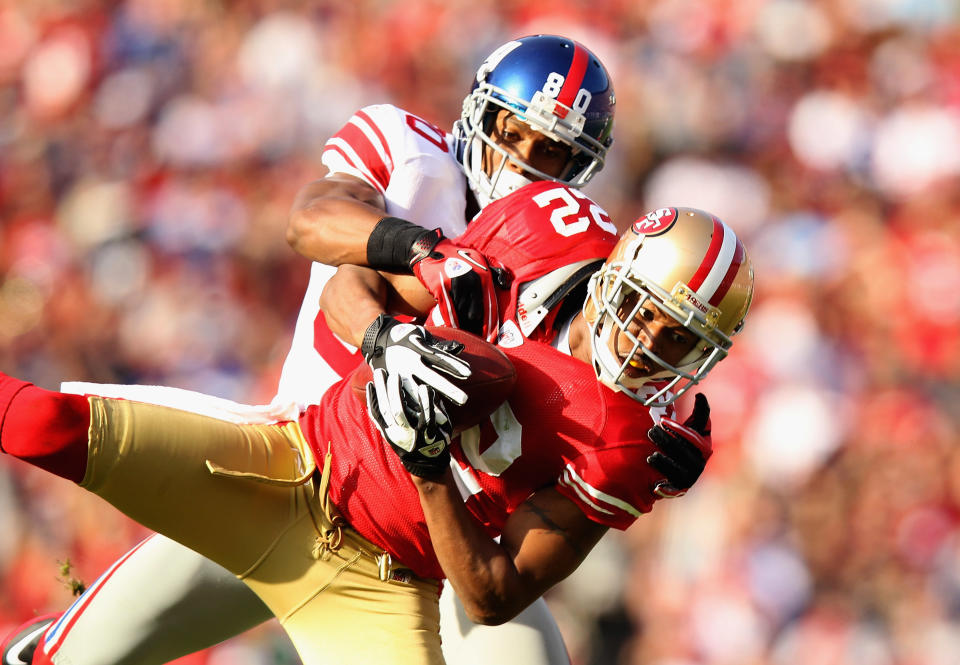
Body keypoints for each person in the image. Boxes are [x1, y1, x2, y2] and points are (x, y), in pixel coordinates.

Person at [1, 34, 707, 665]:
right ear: (480, 115)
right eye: (514, 133)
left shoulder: (584, 258)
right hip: (302, 458)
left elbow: (613, 379)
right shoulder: (411, 155)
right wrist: (422, 258)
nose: (523, 161)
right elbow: (312, 222)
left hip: (437, 541)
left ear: (580, 169)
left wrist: (654, 445)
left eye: (552, 152)